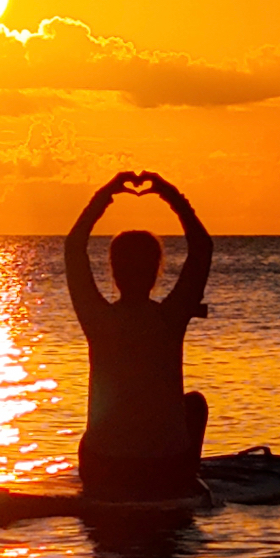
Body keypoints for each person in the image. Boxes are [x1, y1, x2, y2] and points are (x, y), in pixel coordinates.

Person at [65, 171, 213, 501]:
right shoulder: (169, 318)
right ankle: (187, 476)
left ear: (114, 273)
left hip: (105, 468)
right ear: (156, 271)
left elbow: (74, 249)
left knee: (91, 435)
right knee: (195, 405)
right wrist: (172, 197)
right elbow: (202, 248)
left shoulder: (97, 319)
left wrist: (104, 195)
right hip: (165, 469)